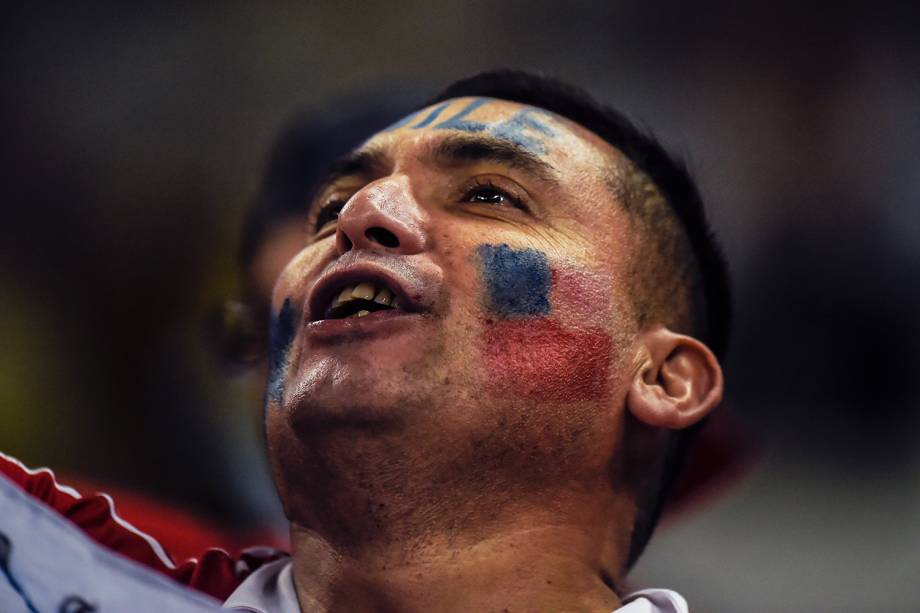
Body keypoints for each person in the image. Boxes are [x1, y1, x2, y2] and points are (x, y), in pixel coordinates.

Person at [1, 69, 730, 612]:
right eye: (329, 209)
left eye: (489, 195)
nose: (363, 212)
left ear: (665, 379)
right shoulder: (45, 568)